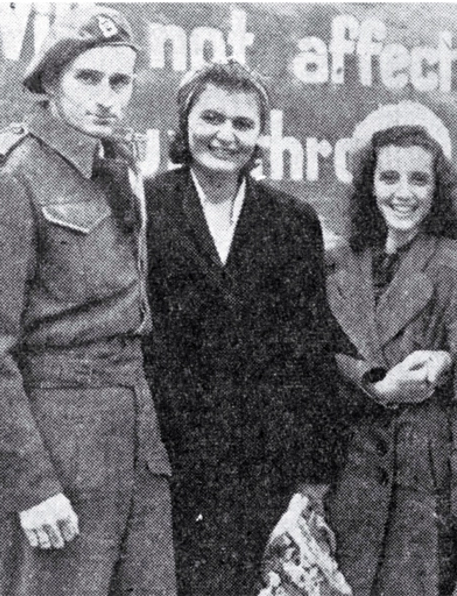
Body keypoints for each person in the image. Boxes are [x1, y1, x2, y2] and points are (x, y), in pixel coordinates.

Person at [0, 6, 176, 596]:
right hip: (57, 441)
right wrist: (30, 486)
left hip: (136, 438)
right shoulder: (12, 175)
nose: (107, 97)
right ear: (51, 81)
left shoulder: (116, 166)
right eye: (88, 78)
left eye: (120, 81)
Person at [143, 62, 353, 596]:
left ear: (261, 134)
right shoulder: (144, 205)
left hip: (263, 465)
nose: (225, 135)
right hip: (167, 458)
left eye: (242, 123)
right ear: (184, 122)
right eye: (211, 117)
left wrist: (313, 476)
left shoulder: (292, 220)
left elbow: (311, 354)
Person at [324, 102, 457, 596]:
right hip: (347, 480)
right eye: (388, 176)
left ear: (438, 190)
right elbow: (314, 360)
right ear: (367, 184)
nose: (402, 193)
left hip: (421, 486)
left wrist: (450, 362)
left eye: (419, 179)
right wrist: (375, 384)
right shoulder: (336, 263)